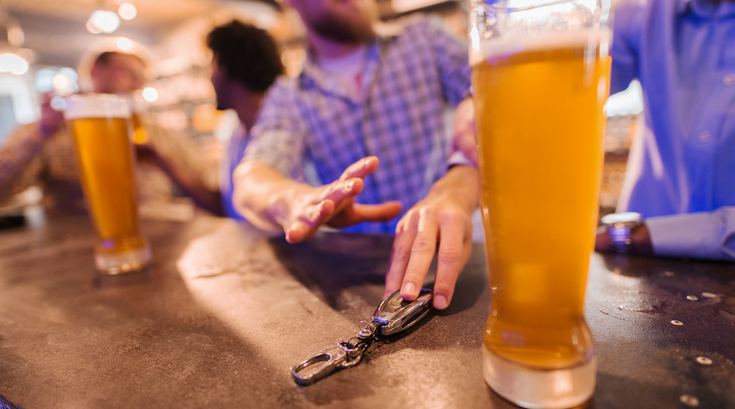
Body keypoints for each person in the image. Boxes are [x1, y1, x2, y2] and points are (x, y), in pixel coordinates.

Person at [232, 0, 480, 310]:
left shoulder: (426, 38)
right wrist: (293, 201)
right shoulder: (289, 96)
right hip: (360, 292)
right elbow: (251, 177)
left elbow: (493, 96)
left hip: (459, 263)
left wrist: (458, 186)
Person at [592, 0, 735, 260]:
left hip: (636, 253)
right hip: (634, 266)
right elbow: (576, 83)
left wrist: (649, 236)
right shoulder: (647, 12)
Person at [0, 51, 219, 215]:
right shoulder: (53, 129)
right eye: (127, 74)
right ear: (96, 71)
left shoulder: (152, 130)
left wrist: (165, 164)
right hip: (74, 247)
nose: (137, 85)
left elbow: (206, 178)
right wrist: (41, 133)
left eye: (141, 79)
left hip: (157, 239)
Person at [207, 20, 284, 220]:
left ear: (229, 68)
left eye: (213, 65)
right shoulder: (237, 131)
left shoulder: (284, 130)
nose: (210, 77)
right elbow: (230, 207)